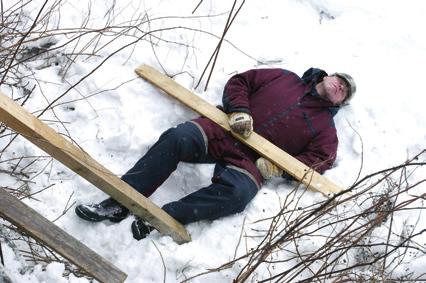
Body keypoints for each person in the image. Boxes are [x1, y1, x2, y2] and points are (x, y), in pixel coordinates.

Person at [75, 67, 356, 240]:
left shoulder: (325, 128)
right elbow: (240, 83)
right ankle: (119, 202)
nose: (339, 86)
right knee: (178, 137)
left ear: (339, 102)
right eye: (340, 80)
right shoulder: (283, 78)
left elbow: (320, 160)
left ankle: (161, 218)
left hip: (251, 163)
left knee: (238, 195)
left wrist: (278, 168)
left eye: (344, 92)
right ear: (327, 75)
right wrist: (240, 110)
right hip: (223, 130)